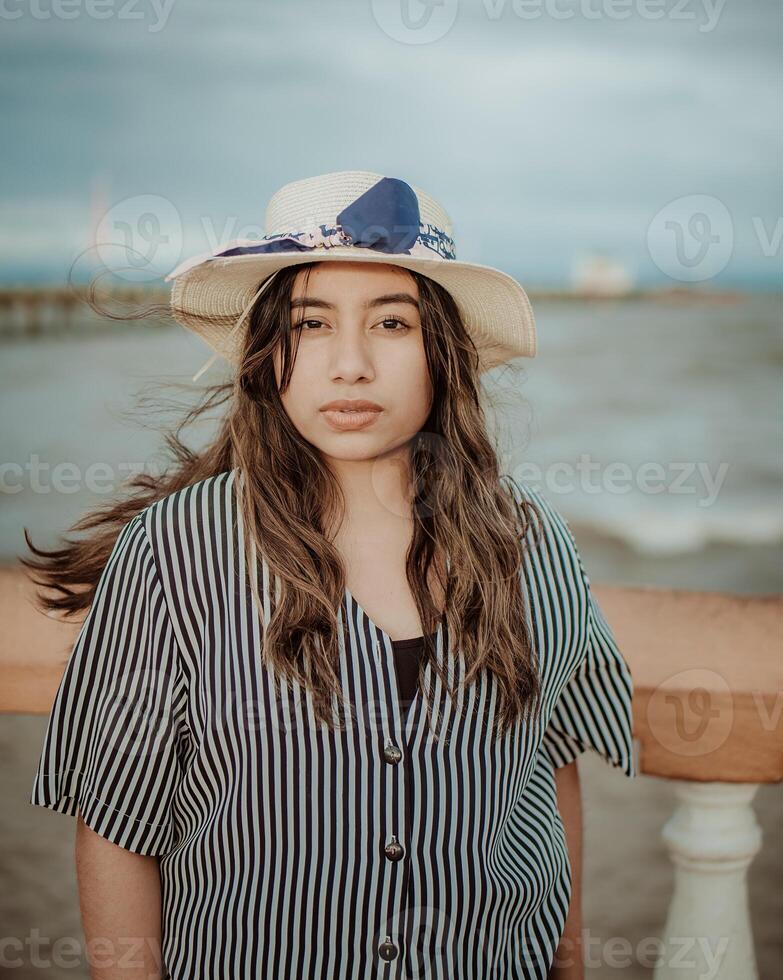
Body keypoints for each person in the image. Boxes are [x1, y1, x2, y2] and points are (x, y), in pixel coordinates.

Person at [24, 170, 636, 980]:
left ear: (442, 354)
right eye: (312, 324)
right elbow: (117, 827)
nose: (349, 365)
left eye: (391, 322)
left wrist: (570, 965)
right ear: (268, 351)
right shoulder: (174, 553)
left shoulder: (533, 546)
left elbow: (546, 780)